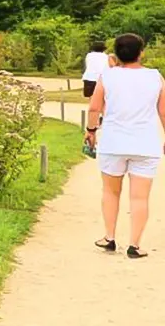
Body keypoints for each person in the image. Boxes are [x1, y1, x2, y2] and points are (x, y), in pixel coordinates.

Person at [86, 33, 165, 259]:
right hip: (145, 144)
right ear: (141, 53)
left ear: (117, 54)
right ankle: (135, 245)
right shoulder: (155, 77)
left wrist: (91, 131)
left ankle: (109, 237)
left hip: (113, 143)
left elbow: (94, 108)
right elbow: (164, 112)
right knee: (140, 198)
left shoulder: (107, 76)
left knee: (111, 192)